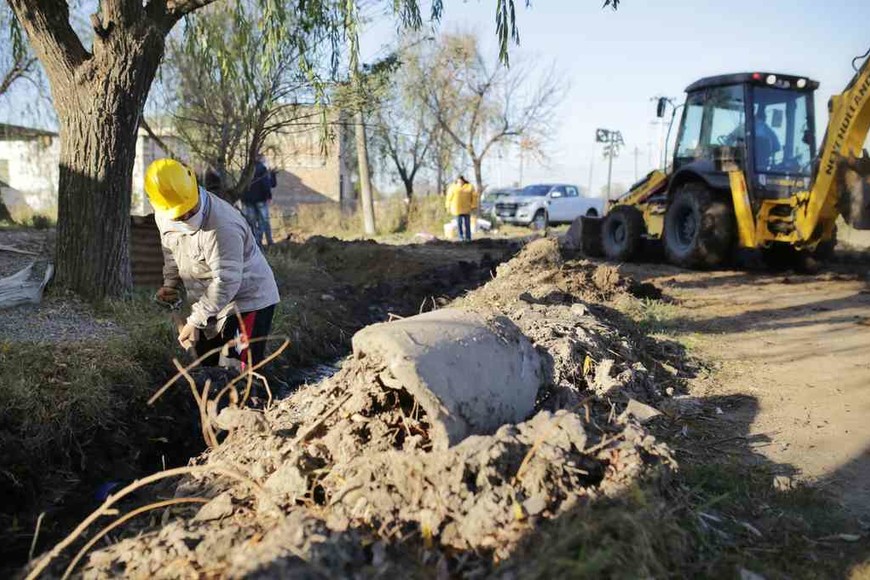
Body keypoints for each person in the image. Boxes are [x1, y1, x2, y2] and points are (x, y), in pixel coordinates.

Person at [146, 158, 280, 368]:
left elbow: (226, 281)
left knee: (236, 374)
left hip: (247, 301)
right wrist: (170, 284)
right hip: (209, 304)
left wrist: (193, 321)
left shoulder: (223, 226)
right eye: (180, 215)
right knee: (209, 369)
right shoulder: (164, 214)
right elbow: (171, 249)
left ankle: (253, 396)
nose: (188, 216)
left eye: (191, 208)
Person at [242, 154, 277, 247]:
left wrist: (242, 198)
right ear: (261, 159)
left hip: (248, 200)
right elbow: (268, 184)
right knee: (264, 221)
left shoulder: (246, 169)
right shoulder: (262, 169)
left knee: (252, 222)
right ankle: (268, 241)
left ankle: (256, 242)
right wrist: (268, 196)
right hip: (260, 199)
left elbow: (242, 185)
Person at [445, 175, 478, 241]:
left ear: (463, 180)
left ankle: (468, 237)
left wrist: (474, 205)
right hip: (456, 209)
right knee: (459, 223)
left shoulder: (470, 187)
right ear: (456, 181)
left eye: (461, 180)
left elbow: (474, 197)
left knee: (467, 224)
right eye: (458, 181)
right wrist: (447, 206)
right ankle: (461, 237)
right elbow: (449, 198)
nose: (460, 182)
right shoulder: (452, 187)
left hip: (467, 208)